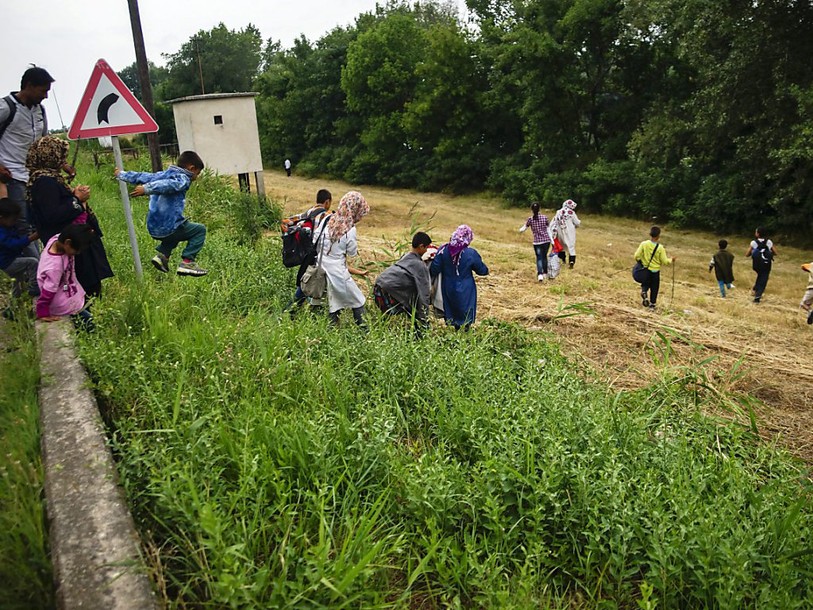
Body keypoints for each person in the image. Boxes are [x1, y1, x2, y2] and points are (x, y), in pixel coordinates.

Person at [28, 136, 112, 298]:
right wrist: (77, 199)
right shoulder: (44, 182)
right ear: (50, 156)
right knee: (84, 286)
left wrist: (72, 195)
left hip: (72, 239)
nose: (63, 160)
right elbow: (52, 214)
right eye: (60, 155)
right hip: (69, 241)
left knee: (87, 285)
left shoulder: (48, 178)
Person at [0, 66, 70, 260]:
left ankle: (41, 266)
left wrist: (63, 165)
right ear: (29, 86)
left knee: (40, 221)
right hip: (13, 177)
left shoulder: (40, 111)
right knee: (22, 226)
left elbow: (44, 142)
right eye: (43, 91)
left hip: (36, 178)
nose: (45, 96)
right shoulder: (6, 108)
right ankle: (37, 271)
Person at [115, 150, 208, 276]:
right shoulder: (183, 178)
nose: (196, 177)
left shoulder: (163, 174)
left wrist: (122, 174)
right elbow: (170, 185)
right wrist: (147, 189)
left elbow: (143, 176)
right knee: (199, 230)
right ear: (191, 168)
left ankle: (162, 257)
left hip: (154, 228)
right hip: (169, 227)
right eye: (197, 173)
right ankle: (187, 262)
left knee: (177, 232)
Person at [315, 190, 369, 327]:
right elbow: (352, 252)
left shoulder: (327, 219)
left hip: (321, 265)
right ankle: (364, 331)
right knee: (358, 300)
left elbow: (316, 239)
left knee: (334, 302)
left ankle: (331, 328)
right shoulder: (350, 229)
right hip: (338, 271)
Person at [282, 188, 332, 316]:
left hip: (305, 255)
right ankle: (288, 313)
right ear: (327, 202)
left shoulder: (309, 212)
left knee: (306, 283)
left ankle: (292, 312)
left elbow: (286, 222)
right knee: (308, 285)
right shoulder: (324, 216)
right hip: (316, 256)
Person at [35, 223, 94, 329]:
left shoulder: (56, 239)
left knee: (85, 317)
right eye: (77, 250)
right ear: (68, 242)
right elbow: (49, 290)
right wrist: (42, 312)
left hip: (69, 292)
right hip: (63, 304)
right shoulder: (55, 267)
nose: (78, 253)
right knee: (90, 323)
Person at [430, 224, 489, 330]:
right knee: (466, 311)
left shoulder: (443, 250)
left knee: (451, 309)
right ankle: (465, 331)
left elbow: (434, 269)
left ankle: (454, 330)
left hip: (447, 285)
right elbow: (482, 271)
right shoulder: (470, 253)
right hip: (466, 286)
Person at [373, 231, 432, 335]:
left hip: (379, 285)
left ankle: (378, 331)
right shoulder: (419, 265)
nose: (426, 250)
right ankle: (421, 332)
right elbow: (424, 294)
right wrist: (424, 317)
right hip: (389, 290)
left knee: (402, 307)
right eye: (426, 248)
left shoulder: (406, 256)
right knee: (411, 307)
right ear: (421, 246)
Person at [0, 198, 39, 316]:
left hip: (12, 259)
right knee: (32, 262)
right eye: (12, 220)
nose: (14, 222)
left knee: (17, 283)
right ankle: (34, 288)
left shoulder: (8, 227)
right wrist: (30, 238)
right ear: (1, 217)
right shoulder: (1, 232)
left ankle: (11, 309)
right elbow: (12, 244)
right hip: (7, 263)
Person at [633, 226, 674, 310]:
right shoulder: (660, 248)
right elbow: (665, 261)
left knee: (645, 283)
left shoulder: (644, 244)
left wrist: (641, 262)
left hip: (646, 269)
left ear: (650, 234)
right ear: (658, 236)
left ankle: (644, 292)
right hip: (655, 271)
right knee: (654, 287)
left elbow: (636, 256)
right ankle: (652, 305)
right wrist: (671, 260)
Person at [519, 201, 551, 281]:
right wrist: (552, 240)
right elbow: (548, 229)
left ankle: (540, 274)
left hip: (537, 242)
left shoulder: (530, 219)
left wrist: (519, 231)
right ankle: (545, 273)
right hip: (546, 241)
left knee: (539, 258)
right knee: (544, 257)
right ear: (540, 209)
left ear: (532, 210)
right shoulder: (544, 218)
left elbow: (524, 228)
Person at [745, 228, 776, 303]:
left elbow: (747, 254)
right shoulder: (769, 242)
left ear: (758, 234)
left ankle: (755, 289)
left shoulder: (753, 242)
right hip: (766, 264)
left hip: (757, 264)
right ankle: (758, 296)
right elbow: (775, 252)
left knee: (760, 275)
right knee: (763, 278)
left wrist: (754, 252)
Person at [551, 199, 580, 268]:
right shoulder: (571, 213)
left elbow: (554, 221)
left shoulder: (558, 212)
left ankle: (562, 260)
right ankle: (571, 261)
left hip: (560, 231)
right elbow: (577, 223)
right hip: (569, 231)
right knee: (571, 246)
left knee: (561, 246)